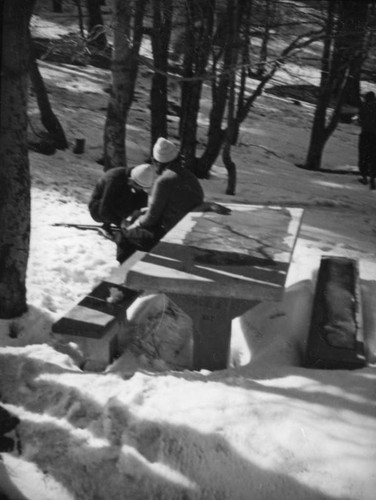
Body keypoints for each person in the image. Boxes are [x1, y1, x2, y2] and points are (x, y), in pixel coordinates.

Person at [115, 137, 204, 263]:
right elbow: (177, 205)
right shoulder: (190, 177)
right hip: (189, 232)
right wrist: (141, 212)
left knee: (123, 235)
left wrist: (133, 224)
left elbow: (151, 218)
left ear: (157, 161)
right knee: (137, 224)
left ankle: (124, 276)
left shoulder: (164, 181)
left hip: (171, 235)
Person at [88, 164, 156, 236]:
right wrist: (121, 223)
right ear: (131, 180)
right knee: (125, 197)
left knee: (140, 195)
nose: (140, 189)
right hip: (97, 208)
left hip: (114, 202)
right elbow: (104, 209)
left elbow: (142, 200)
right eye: (139, 186)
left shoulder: (136, 177)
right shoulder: (114, 179)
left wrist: (139, 218)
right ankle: (106, 225)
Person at [358, 91, 376, 190]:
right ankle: (373, 178)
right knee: (373, 157)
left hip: (365, 134)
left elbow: (360, 119)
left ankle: (364, 177)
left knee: (363, 156)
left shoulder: (364, 106)